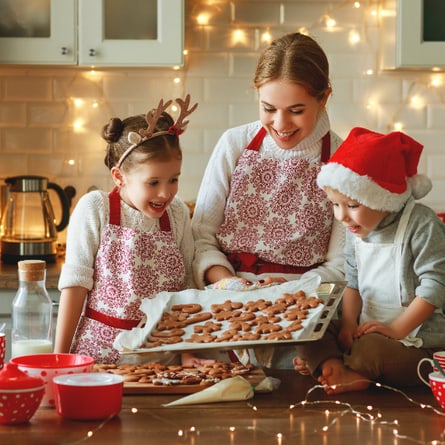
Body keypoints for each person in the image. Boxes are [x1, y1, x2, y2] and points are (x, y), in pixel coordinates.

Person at [191, 32, 345, 369]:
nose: (280, 123)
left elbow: (343, 263)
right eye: (268, 108)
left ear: (324, 98)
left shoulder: (341, 160)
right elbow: (201, 236)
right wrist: (228, 282)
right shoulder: (235, 144)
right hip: (226, 309)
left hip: (301, 320)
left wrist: (289, 291)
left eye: (296, 110)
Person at [54, 95, 203, 365]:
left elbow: (186, 290)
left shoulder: (178, 213)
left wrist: (188, 354)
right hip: (99, 355)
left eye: (174, 179)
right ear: (119, 177)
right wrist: (60, 358)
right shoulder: (95, 208)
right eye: (153, 182)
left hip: (161, 358)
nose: (165, 192)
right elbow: (75, 286)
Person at [295, 127, 445, 394]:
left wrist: (396, 330)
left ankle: (352, 369)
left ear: (382, 198)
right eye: (335, 204)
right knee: (312, 326)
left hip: (415, 341)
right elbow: (352, 281)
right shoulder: (357, 229)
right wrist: (349, 325)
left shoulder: (421, 223)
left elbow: (435, 286)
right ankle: (334, 365)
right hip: (367, 328)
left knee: (369, 351)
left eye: (352, 205)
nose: (342, 216)